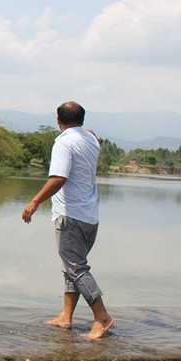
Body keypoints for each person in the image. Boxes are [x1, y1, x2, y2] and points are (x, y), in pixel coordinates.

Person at [21, 101, 114, 340]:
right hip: (90, 218)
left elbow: (58, 178)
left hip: (70, 216)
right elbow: (92, 133)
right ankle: (65, 316)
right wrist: (85, 130)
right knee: (71, 267)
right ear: (82, 120)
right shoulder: (91, 140)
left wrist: (34, 202)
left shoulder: (63, 143)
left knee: (76, 268)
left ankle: (102, 317)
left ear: (58, 120)